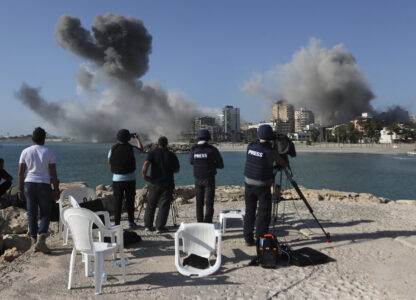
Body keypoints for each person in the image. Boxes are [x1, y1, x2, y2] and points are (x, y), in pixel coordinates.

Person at [243, 124, 288, 246]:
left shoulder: (250, 147)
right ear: (270, 137)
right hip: (262, 186)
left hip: (248, 184)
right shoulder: (270, 152)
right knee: (264, 212)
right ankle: (260, 237)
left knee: (249, 211)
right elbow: (282, 164)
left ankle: (248, 238)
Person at [18, 127, 60, 254]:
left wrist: (20, 190)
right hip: (44, 185)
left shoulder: (25, 151)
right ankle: (41, 240)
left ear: (32, 139)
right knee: (45, 213)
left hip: (29, 184)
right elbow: (53, 173)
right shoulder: (49, 152)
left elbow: (20, 173)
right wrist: (56, 189)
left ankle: (33, 241)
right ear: (44, 139)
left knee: (31, 213)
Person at [142, 136, 180, 233]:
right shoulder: (171, 155)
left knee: (151, 204)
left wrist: (144, 176)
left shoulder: (152, 153)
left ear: (158, 143)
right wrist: (169, 170)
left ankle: (148, 226)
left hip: (154, 183)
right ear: (166, 144)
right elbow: (177, 170)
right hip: (167, 183)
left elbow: (146, 164)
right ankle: (159, 227)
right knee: (164, 206)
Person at [108, 129, 143, 229]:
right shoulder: (131, 148)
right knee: (130, 201)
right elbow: (141, 150)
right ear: (128, 138)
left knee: (117, 202)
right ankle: (131, 222)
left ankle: (117, 224)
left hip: (117, 180)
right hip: (130, 179)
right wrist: (137, 139)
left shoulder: (113, 148)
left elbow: (109, 161)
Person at [189, 129, 224, 223]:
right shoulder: (212, 149)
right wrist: (212, 164)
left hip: (197, 178)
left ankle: (199, 222)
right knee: (209, 202)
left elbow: (191, 162)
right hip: (209, 179)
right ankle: (208, 222)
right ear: (208, 138)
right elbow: (221, 165)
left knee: (199, 203)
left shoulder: (193, 149)